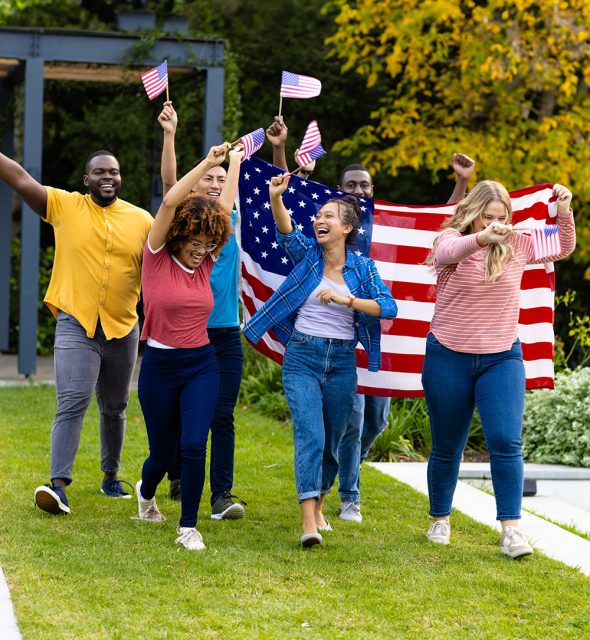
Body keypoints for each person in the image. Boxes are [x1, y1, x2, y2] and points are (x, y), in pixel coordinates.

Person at [422, 180, 575, 558]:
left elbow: (564, 246)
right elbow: (451, 251)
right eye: (486, 217)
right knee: (447, 446)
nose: (494, 223)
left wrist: (566, 211)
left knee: (506, 441)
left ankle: (511, 530)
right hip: (447, 356)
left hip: (501, 357)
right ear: (472, 214)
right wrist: (482, 237)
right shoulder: (450, 240)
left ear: (509, 217)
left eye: (501, 217)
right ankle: (440, 517)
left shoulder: (520, 243)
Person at [243, 173, 397, 547]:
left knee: (333, 443)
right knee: (310, 434)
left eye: (328, 216)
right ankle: (308, 522)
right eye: (317, 216)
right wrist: (276, 198)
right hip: (303, 357)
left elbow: (387, 307)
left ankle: (321, 504)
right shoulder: (308, 255)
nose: (319, 221)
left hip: (342, 362)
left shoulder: (364, 269)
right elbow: (286, 233)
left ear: (347, 228)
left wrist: (348, 301)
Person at [0, 149, 153, 515]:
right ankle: (58, 486)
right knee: (72, 401)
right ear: (86, 179)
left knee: (115, 407)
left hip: (122, 326)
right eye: (99, 172)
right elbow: (21, 179)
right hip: (76, 324)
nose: (107, 177)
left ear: (120, 178)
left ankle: (110, 477)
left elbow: (159, 268)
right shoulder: (65, 206)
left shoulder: (142, 220)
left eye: (113, 172)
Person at [132, 142, 235, 551]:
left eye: (210, 243)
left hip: (200, 364)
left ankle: (188, 526)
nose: (202, 250)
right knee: (163, 454)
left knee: (195, 444)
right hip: (159, 367)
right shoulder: (156, 255)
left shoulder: (207, 259)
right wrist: (209, 163)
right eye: (196, 241)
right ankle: (146, 490)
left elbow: (222, 210)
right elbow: (172, 199)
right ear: (179, 234)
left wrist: (237, 164)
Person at [157, 102, 247, 519]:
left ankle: (221, 494)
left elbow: (226, 205)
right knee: (180, 414)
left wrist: (236, 165)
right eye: (208, 179)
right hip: (184, 337)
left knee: (222, 415)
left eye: (221, 180)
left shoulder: (223, 231)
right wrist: (172, 135)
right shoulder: (181, 229)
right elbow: (171, 186)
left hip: (224, 333)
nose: (214, 184)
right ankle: (177, 474)